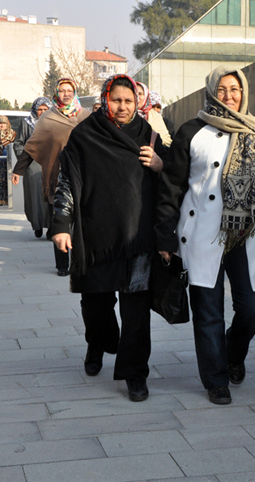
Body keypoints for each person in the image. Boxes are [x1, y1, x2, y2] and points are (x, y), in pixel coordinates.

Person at [156, 65, 255, 405]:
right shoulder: (192, 131)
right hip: (203, 232)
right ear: (211, 92)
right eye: (222, 89)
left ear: (244, 92)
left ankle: (231, 354)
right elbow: (171, 187)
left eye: (234, 89)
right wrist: (165, 236)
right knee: (208, 310)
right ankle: (215, 379)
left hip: (248, 232)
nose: (229, 95)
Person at [51, 74, 166, 402]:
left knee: (136, 310)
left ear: (137, 102)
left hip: (137, 236)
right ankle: (98, 342)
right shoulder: (85, 135)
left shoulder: (150, 135)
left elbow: (172, 180)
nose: (122, 106)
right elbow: (66, 182)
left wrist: (160, 164)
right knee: (96, 305)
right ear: (105, 99)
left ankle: (135, 373)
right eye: (116, 100)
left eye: (129, 101)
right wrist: (61, 224)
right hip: (95, 236)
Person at [13, 79, 90, 275]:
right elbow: (32, 145)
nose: (66, 94)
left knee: (82, 222)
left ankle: (80, 261)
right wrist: (18, 170)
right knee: (60, 218)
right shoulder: (48, 118)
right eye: (62, 90)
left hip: (83, 176)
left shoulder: (86, 116)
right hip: (58, 177)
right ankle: (62, 265)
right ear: (56, 93)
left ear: (75, 92)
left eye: (69, 90)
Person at [14, 97, 54, 237]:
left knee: (51, 197)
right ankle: (37, 225)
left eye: (45, 109)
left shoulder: (56, 122)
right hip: (32, 165)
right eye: (39, 109)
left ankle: (51, 227)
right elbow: (18, 143)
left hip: (51, 166)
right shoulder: (27, 123)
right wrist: (26, 158)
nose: (42, 112)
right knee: (35, 197)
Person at [136, 82, 172, 146]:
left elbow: (166, 141)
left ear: (146, 96)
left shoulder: (155, 116)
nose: (137, 97)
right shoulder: (124, 114)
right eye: (134, 93)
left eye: (140, 94)